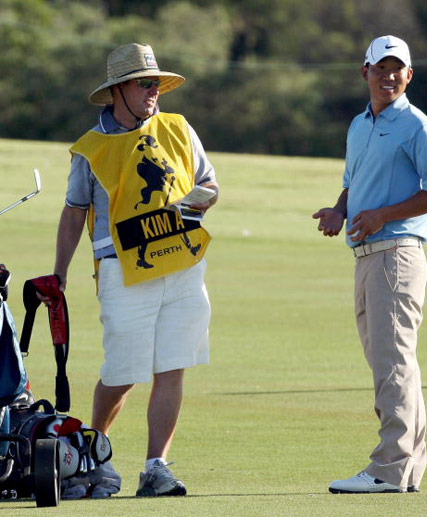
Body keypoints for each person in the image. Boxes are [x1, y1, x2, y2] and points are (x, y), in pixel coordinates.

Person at [53, 43, 218, 497]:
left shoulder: (179, 128)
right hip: (122, 270)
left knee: (173, 365)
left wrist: (199, 200)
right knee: (123, 371)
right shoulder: (90, 148)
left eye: (157, 83)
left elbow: (209, 183)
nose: (154, 91)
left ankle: (156, 466)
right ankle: (93, 450)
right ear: (119, 90)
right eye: (145, 83)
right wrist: (59, 272)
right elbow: (73, 213)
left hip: (183, 264)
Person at [313, 35, 427, 494]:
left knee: (392, 365)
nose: (388, 76)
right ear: (365, 72)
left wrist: (381, 216)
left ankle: (387, 468)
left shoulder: (420, 126)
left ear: (409, 75)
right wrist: (341, 210)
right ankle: (407, 470)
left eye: (398, 69)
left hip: (397, 254)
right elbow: (353, 184)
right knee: (392, 364)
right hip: (367, 256)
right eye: (380, 68)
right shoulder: (359, 125)